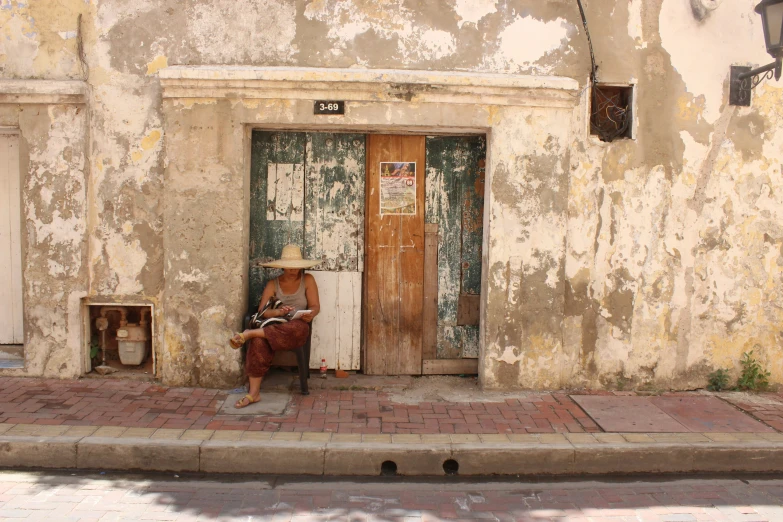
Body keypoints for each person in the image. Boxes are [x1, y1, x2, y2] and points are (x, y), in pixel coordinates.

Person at [228, 244, 320, 408]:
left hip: (297, 326)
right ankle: (253, 394)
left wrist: (310, 313)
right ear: (283, 266)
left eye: (296, 267)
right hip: (278, 323)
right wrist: (279, 313)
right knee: (258, 343)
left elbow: (315, 306)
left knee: (297, 328)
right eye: (290, 267)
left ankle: (251, 333)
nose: (293, 270)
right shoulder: (273, 284)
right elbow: (263, 312)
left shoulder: (308, 280)